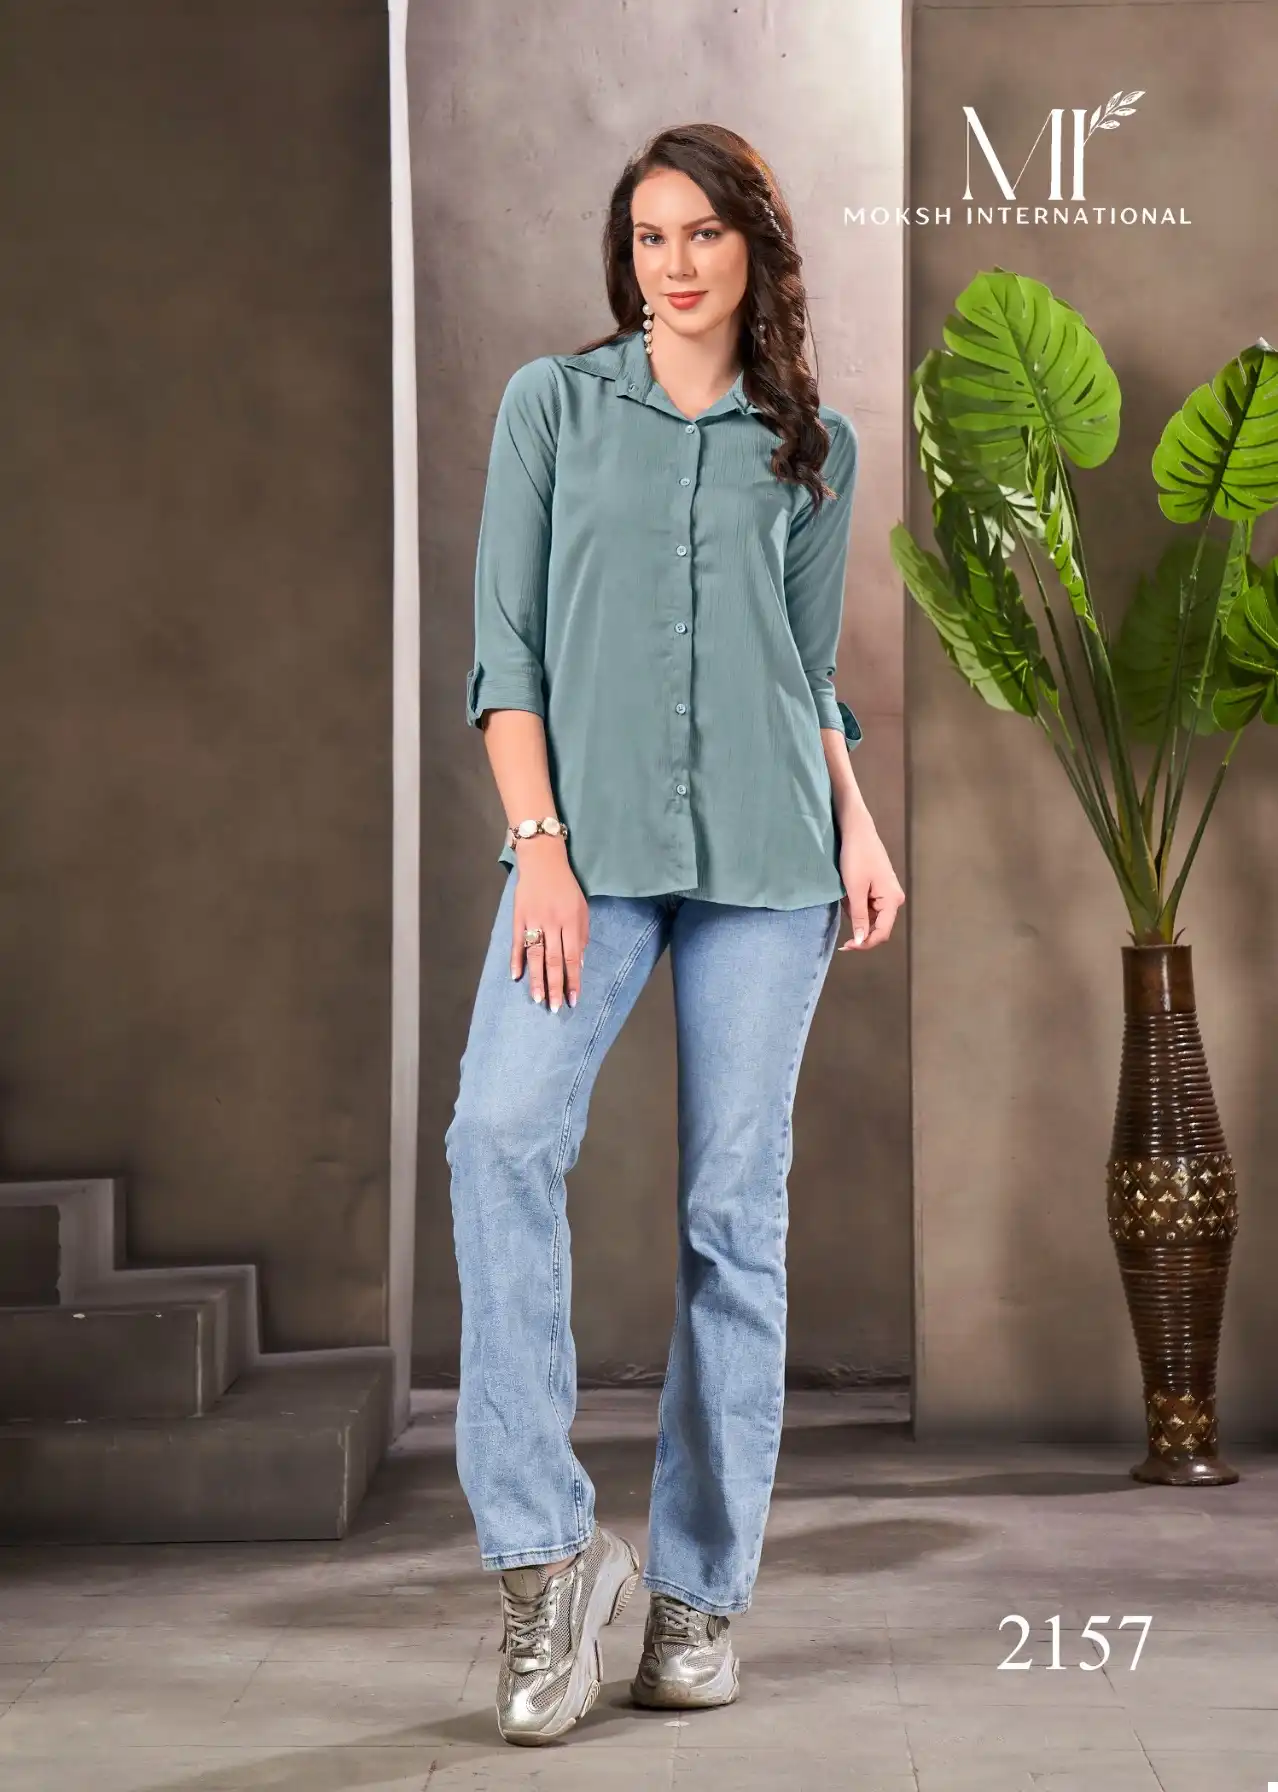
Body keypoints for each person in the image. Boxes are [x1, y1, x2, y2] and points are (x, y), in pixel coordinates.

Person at [444, 122, 905, 1748]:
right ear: (624, 258)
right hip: (586, 857)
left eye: (703, 232)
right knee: (498, 1136)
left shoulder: (813, 445)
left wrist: (856, 824)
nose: (676, 262)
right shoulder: (553, 407)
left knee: (731, 1218)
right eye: (649, 236)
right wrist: (540, 853)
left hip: (771, 863)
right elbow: (505, 655)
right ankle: (547, 1560)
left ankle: (699, 1596)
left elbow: (805, 668)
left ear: (752, 250)